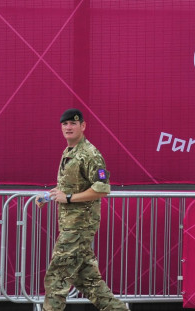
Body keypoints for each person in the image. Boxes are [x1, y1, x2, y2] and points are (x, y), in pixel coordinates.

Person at [36, 108, 128, 311]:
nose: (68, 127)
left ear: (83, 126)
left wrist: (68, 197)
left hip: (78, 229)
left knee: (56, 277)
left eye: (73, 124)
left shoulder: (90, 154)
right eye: (65, 124)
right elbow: (75, 185)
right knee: (90, 282)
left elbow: (102, 188)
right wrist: (54, 195)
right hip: (71, 226)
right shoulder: (69, 151)